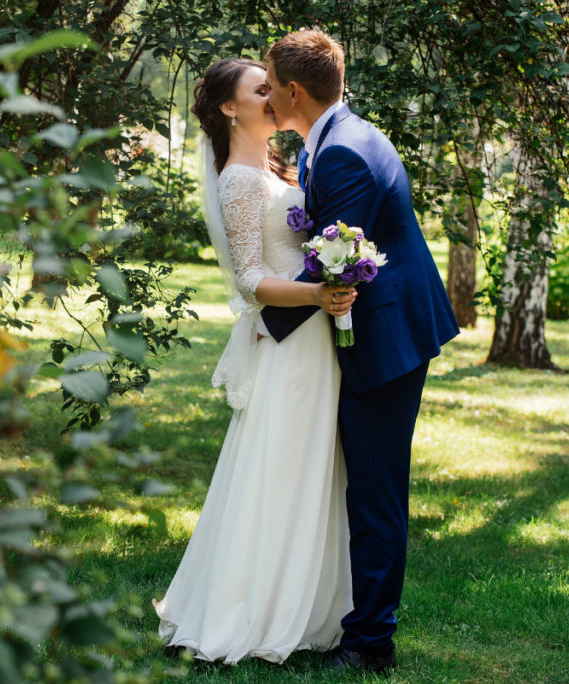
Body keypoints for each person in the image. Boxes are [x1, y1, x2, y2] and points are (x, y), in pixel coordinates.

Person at [260, 30, 460, 673]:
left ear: (294, 91)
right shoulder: (338, 136)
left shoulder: (342, 151)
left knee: (375, 492)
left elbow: (333, 265)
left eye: (270, 83)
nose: (265, 92)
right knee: (369, 487)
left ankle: (372, 642)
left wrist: (261, 319)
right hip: (383, 322)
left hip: (384, 338)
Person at [152, 57, 357, 665]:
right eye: (260, 90)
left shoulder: (270, 170)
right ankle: (258, 612)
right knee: (280, 470)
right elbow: (249, 279)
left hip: (310, 338)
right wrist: (320, 292)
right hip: (290, 341)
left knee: (310, 469)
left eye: (272, 87)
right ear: (228, 109)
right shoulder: (240, 179)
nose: (273, 97)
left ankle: (310, 608)